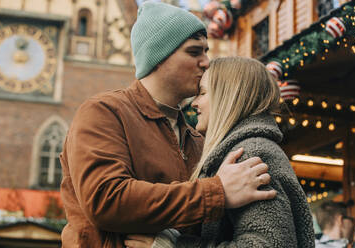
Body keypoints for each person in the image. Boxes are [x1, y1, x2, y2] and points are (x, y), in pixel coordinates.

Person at [59, 2, 276, 247]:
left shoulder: (198, 139)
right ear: (159, 56)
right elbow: (105, 199)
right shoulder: (105, 112)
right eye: (194, 52)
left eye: (206, 51)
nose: (206, 63)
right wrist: (216, 192)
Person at [124, 57, 316, 248]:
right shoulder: (244, 150)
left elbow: (267, 244)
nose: (194, 103)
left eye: (203, 93)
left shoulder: (250, 154)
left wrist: (173, 246)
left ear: (228, 96)